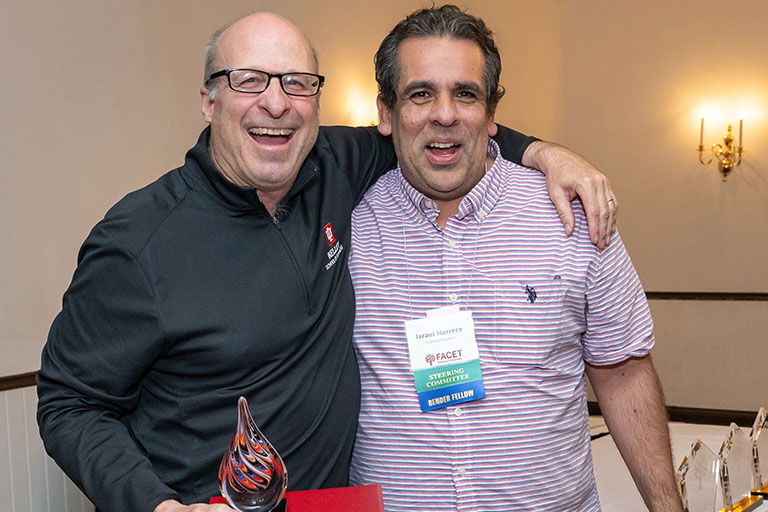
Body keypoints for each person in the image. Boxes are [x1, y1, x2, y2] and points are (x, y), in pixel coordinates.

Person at [36, 11, 618, 512]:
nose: (275, 102)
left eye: (296, 82)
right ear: (208, 99)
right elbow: (69, 402)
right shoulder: (139, 240)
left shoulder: (335, 166)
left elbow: (443, 127)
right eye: (248, 80)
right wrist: (155, 505)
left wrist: (546, 154)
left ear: (316, 99)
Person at [348, 5, 682, 511]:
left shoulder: (573, 217)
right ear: (386, 113)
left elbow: (625, 373)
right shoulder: (344, 228)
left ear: (491, 112)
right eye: (421, 94)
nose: (444, 113)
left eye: (466, 93)